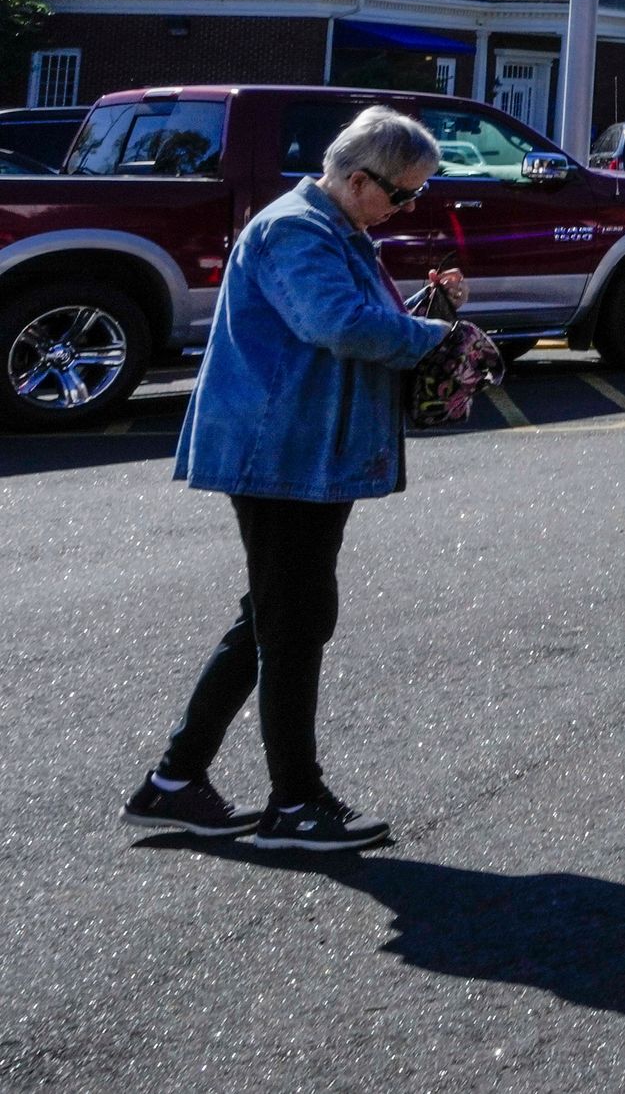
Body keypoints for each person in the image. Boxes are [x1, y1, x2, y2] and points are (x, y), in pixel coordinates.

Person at [124, 108, 472, 851]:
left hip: (303, 451)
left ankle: (174, 783)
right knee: (293, 626)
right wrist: (439, 337)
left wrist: (423, 312)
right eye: (403, 194)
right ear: (357, 178)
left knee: (274, 620)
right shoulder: (297, 230)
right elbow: (339, 326)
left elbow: (347, 325)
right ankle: (295, 803)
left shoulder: (335, 229)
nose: (407, 207)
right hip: (278, 453)